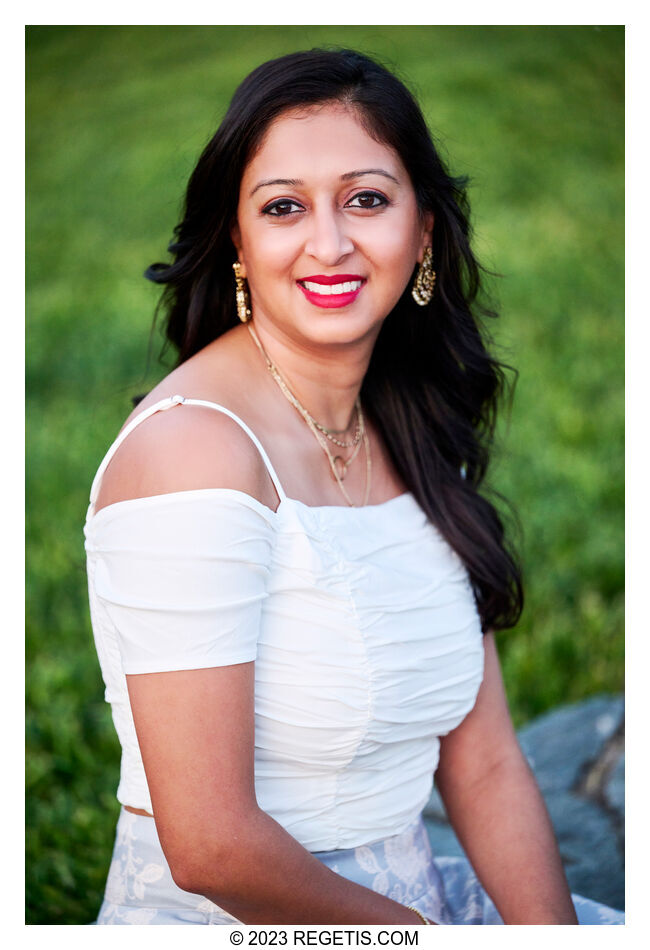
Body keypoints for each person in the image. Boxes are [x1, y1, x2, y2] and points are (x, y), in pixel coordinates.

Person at [84, 48, 624, 925]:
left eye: (367, 200)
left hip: (416, 894)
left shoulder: (403, 424)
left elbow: (482, 762)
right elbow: (211, 845)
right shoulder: (194, 454)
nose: (328, 243)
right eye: (284, 207)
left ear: (423, 233)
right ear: (238, 238)